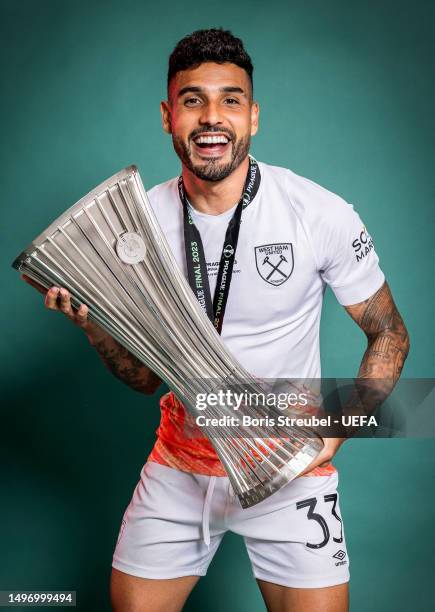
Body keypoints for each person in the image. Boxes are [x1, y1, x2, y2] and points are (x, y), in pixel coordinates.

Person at [23, 28, 409, 612]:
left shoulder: (318, 213)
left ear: (253, 116)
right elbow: (145, 378)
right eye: (192, 100)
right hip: (179, 464)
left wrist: (337, 428)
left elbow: (390, 333)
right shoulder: (137, 227)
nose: (212, 117)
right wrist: (98, 327)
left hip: (289, 471)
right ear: (167, 116)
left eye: (230, 100)